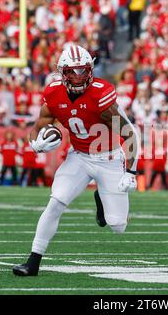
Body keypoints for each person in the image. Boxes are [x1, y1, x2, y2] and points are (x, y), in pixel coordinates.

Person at [13, 44, 139, 276]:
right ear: (63, 72)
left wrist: (131, 172)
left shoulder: (101, 93)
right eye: (72, 71)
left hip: (110, 158)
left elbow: (129, 133)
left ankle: (100, 197)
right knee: (56, 202)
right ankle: (33, 262)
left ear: (91, 70)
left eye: (83, 70)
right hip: (79, 157)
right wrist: (35, 143)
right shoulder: (53, 93)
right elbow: (38, 126)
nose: (78, 76)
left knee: (118, 226)